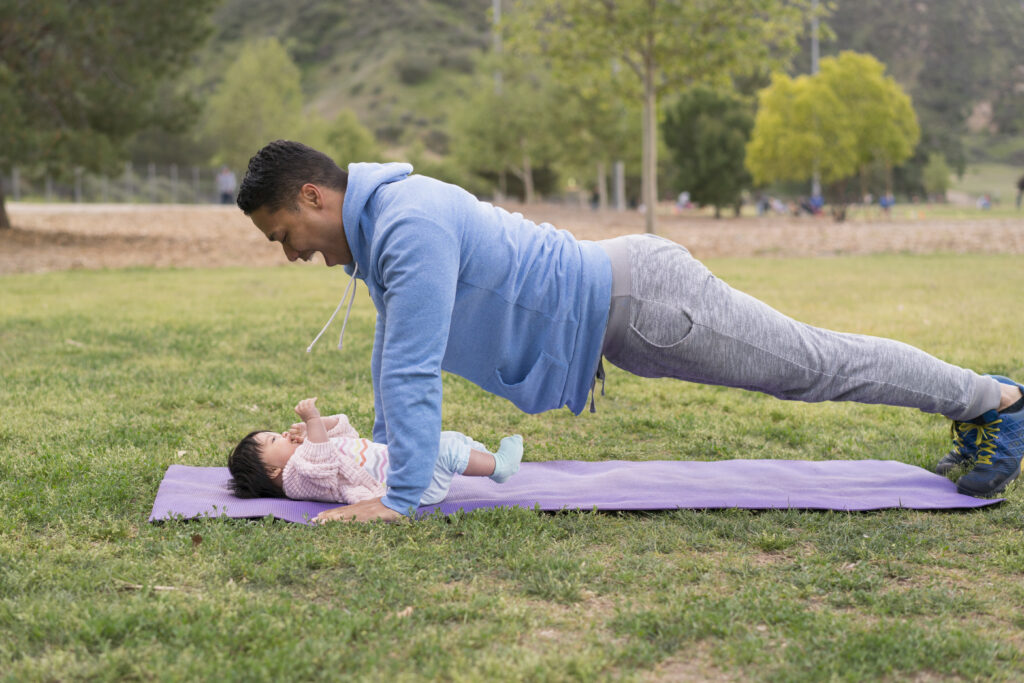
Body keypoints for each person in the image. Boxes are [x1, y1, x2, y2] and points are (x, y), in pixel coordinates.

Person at [235, 140, 1024, 522]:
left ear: (312, 196)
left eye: (282, 234)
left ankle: (995, 399)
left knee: (816, 364)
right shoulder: (384, 233)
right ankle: (979, 406)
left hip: (645, 299)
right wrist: (387, 471)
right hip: (626, 307)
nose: (291, 253)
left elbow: (408, 370)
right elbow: (393, 359)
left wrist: (398, 500)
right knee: (816, 365)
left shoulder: (405, 227)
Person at [227, 398, 523, 516]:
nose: (282, 434)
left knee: (445, 439)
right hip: (408, 485)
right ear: (273, 471)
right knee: (443, 451)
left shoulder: (307, 455)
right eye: (274, 439)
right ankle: (500, 467)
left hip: (403, 465)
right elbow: (322, 461)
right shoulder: (297, 477)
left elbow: (348, 434)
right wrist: (313, 421)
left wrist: (321, 424)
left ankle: (485, 457)